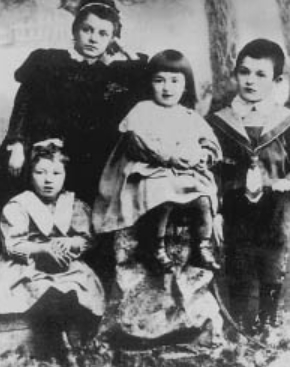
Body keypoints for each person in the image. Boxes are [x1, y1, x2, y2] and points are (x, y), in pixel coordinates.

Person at [0, 0, 147, 208]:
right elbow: (24, 103)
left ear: (112, 39)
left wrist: (119, 45)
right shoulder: (47, 61)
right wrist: (17, 144)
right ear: (75, 30)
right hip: (40, 148)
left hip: (83, 157)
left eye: (103, 34)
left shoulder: (111, 73)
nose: (93, 38)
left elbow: (144, 73)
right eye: (87, 30)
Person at [93, 49, 222, 273]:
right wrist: (169, 157)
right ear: (150, 83)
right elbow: (137, 143)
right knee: (163, 195)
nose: (167, 87)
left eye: (175, 81)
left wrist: (201, 156)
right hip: (150, 170)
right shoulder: (142, 110)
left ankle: (203, 246)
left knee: (204, 199)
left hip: (185, 172)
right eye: (159, 80)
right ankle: (156, 247)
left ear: (185, 85)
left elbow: (210, 143)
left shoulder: (189, 115)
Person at [208, 39, 290, 338]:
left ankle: (268, 320)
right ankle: (243, 322)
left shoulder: (284, 121)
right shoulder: (219, 121)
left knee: (272, 257)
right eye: (245, 72)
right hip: (234, 202)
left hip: (276, 202)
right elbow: (210, 169)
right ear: (235, 74)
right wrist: (215, 209)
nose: (251, 81)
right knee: (239, 256)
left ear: (277, 80)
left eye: (260, 74)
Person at [0, 141, 105, 356]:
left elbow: (87, 238)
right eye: (40, 172)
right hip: (30, 264)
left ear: (65, 175)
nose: (48, 180)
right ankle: (53, 342)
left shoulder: (72, 204)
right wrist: (43, 248)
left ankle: (75, 340)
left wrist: (71, 243)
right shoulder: (20, 204)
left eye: (56, 173)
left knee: (79, 283)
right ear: (30, 174)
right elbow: (12, 244)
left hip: (65, 265)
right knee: (37, 287)